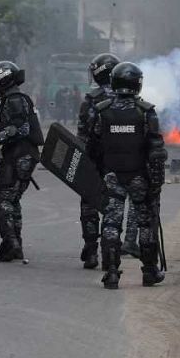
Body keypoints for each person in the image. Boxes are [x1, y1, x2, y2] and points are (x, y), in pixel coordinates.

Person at [87, 62, 167, 289]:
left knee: (111, 223)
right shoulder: (145, 112)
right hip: (139, 177)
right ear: (137, 84)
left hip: (112, 175)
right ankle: (150, 272)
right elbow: (156, 150)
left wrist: (100, 172)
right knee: (145, 223)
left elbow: (93, 147)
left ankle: (112, 272)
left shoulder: (102, 111)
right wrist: (157, 180)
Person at [0, 60, 42, 263]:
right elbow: (12, 126)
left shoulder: (14, 99)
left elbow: (19, 130)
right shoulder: (12, 98)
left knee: (3, 200)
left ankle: (11, 242)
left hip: (20, 154)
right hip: (23, 154)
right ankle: (16, 244)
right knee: (12, 200)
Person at [76, 52, 119, 270]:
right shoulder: (128, 100)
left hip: (94, 161)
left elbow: (82, 136)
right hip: (119, 163)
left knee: (90, 205)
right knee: (113, 207)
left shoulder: (91, 101)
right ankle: (111, 253)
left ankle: (91, 250)